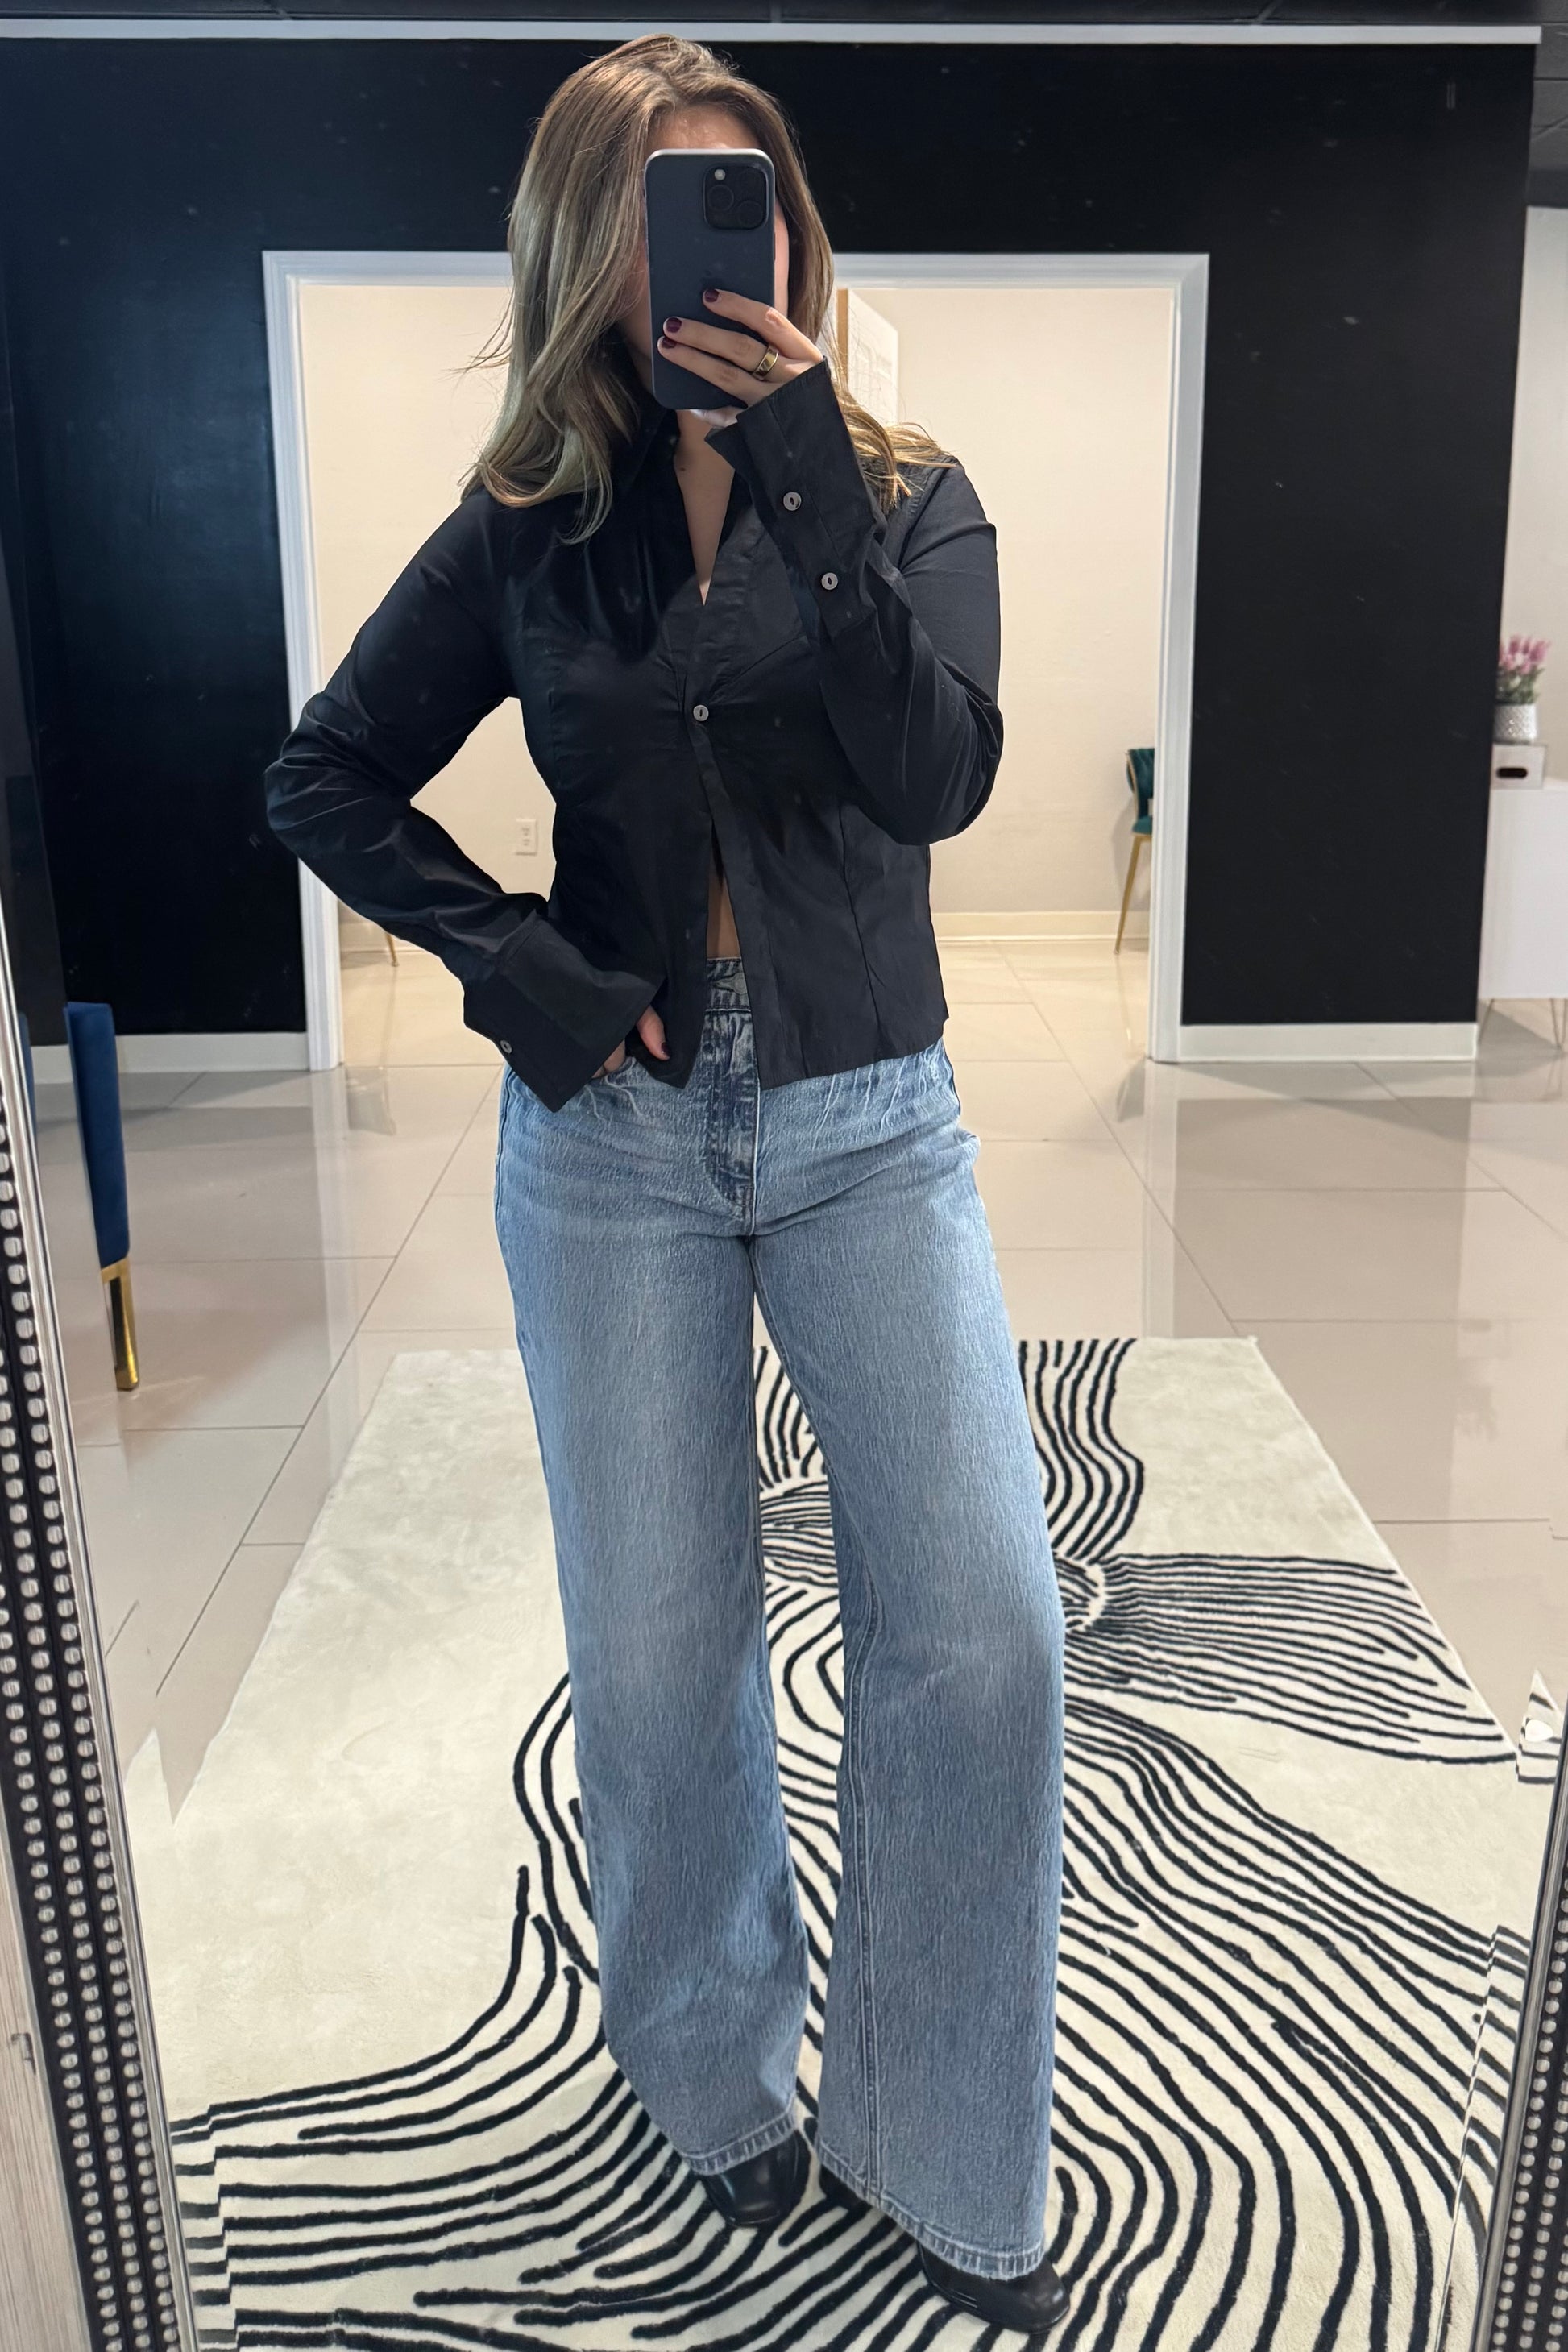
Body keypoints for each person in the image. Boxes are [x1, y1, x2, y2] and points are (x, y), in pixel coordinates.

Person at [263, 32, 1068, 2333]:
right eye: (655, 216)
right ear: (585, 258)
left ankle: (936, 2131)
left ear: (793, 228)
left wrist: (801, 462)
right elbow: (324, 774)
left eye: (746, 200)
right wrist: (521, 969)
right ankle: (709, 2064)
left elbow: (935, 779)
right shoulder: (531, 519)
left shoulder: (908, 492)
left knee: (983, 1631)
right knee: (655, 1652)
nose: (715, 248)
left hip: (867, 1121)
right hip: (608, 1147)